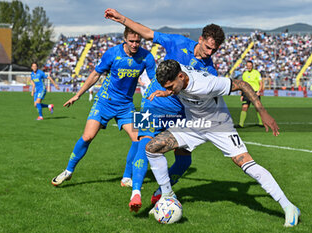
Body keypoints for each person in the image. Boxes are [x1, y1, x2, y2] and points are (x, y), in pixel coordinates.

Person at [146, 59, 300, 227]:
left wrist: (262, 112)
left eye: (170, 87)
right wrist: (167, 93)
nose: (168, 90)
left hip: (219, 125)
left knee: (246, 163)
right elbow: (174, 85)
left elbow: (242, 84)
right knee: (153, 148)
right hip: (194, 124)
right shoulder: (176, 71)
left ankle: (289, 207)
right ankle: (167, 196)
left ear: (181, 76)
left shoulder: (207, 84)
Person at [105, 8, 225, 212]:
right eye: (207, 47)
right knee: (144, 143)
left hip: (179, 114)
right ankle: (136, 193)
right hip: (150, 103)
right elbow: (148, 33)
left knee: (184, 160)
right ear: (201, 39)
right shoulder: (178, 42)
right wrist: (122, 19)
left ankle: (160, 194)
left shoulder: (210, 70)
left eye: (214, 50)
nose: (209, 53)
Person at [51, 27, 156, 186]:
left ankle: (126, 177)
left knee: (138, 139)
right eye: (131, 41)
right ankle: (68, 171)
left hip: (126, 105)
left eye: (138, 41)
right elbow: (95, 74)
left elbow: (155, 80)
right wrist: (78, 94)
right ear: (125, 39)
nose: (135, 45)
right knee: (88, 137)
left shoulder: (146, 57)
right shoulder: (112, 53)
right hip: (104, 101)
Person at [235, 61, 264, 128]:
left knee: (258, 108)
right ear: (246, 66)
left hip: (255, 93)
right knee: (244, 107)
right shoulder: (244, 74)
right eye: (248, 65)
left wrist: (259, 91)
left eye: (250, 65)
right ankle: (240, 124)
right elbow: (243, 85)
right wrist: (242, 94)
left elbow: (261, 83)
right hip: (246, 93)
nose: (249, 67)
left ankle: (261, 123)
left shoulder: (256, 73)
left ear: (252, 66)